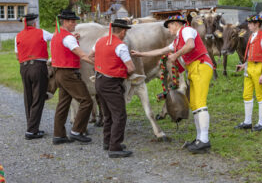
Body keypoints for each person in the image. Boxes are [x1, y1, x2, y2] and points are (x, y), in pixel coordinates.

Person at [131, 15, 214, 153]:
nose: (169, 30)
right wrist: (141, 54)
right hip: (194, 68)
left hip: (201, 65)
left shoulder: (186, 31)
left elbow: (190, 45)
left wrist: (176, 55)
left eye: (169, 26)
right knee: (194, 104)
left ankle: (204, 140)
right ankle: (200, 138)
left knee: (199, 103)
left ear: (176, 24)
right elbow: (161, 51)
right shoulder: (176, 41)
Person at [88, 19, 135, 158]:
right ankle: (115, 147)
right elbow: (131, 68)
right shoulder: (120, 46)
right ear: (122, 31)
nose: (125, 34)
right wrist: (124, 73)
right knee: (119, 115)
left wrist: (103, 66)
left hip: (99, 80)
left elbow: (91, 56)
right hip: (112, 83)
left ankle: (107, 142)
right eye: (125, 31)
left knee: (107, 114)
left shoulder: (99, 41)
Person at [50, 10, 94, 145]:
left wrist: (72, 37)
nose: (75, 24)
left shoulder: (57, 35)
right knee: (87, 101)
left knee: (63, 105)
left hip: (59, 73)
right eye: (72, 21)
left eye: (75, 21)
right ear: (65, 22)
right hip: (69, 74)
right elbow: (83, 55)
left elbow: (65, 45)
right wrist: (100, 64)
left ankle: (59, 135)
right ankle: (77, 131)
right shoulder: (68, 38)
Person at [15, 13, 53, 140]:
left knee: (28, 97)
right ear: (34, 22)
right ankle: (31, 131)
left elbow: (17, 55)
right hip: (38, 66)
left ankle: (32, 127)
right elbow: (56, 38)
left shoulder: (18, 36)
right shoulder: (41, 32)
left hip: (23, 67)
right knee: (38, 97)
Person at [235, 14, 262, 131]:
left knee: (260, 95)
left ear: (256, 24)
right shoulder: (251, 36)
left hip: (258, 68)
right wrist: (244, 65)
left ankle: (261, 123)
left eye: (250, 23)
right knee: (247, 95)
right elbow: (252, 55)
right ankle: (247, 122)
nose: (248, 25)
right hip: (249, 67)